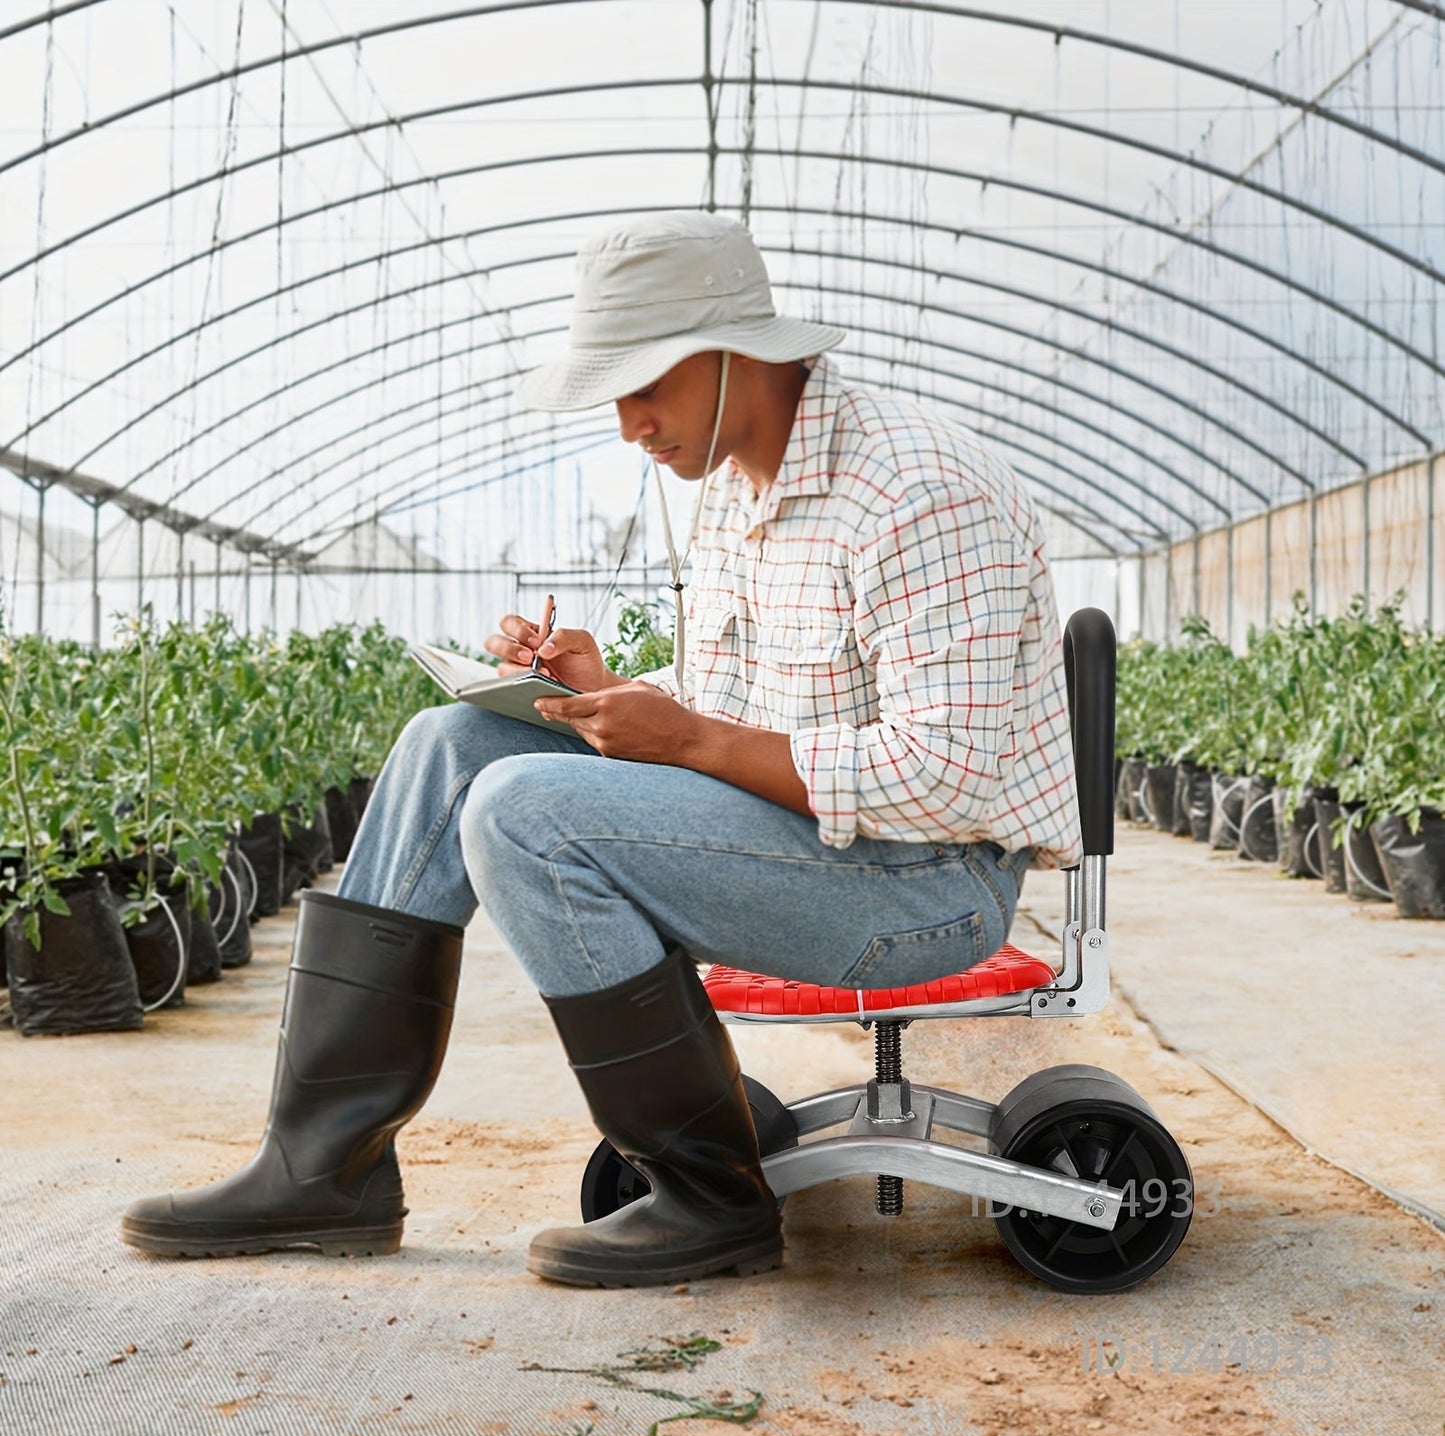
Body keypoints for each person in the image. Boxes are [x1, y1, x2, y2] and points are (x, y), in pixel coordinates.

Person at [121, 211, 1081, 1288]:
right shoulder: (733, 484)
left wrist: (689, 736)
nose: (628, 425)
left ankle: (707, 1198)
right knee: (454, 742)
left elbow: (939, 773)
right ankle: (321, 1166)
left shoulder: (918, 493)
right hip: (818, 840)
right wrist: (606, 692)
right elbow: (740, 701)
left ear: (731, 355)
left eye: (642, 387)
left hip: (920, 885)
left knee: (521, 809)